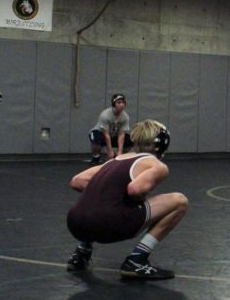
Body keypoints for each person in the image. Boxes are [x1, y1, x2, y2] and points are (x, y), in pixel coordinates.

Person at [66, 119, 188, 280]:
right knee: (180, 201)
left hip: (75, 223)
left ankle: (81, 253)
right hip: (110, 224)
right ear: (164, 143)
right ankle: (137, 260)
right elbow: (135, 189)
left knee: (99, 204)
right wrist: (138, 200)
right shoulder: (157, 165)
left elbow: (77, 181)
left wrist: (109, 193)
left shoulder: (116, 161)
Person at [88, 94, 132, 166]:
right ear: (114, 104)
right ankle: (96, 158)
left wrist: (120, 151)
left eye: (123, 103)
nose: (122, 105)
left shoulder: (125, 117)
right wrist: (110, 151)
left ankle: (119, 157)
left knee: (130, 141)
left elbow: (121, 134)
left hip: (113, 135)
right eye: (119, 103)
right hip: (101, 133)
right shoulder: (105, 115)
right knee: (96, 139)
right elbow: (106, 134)